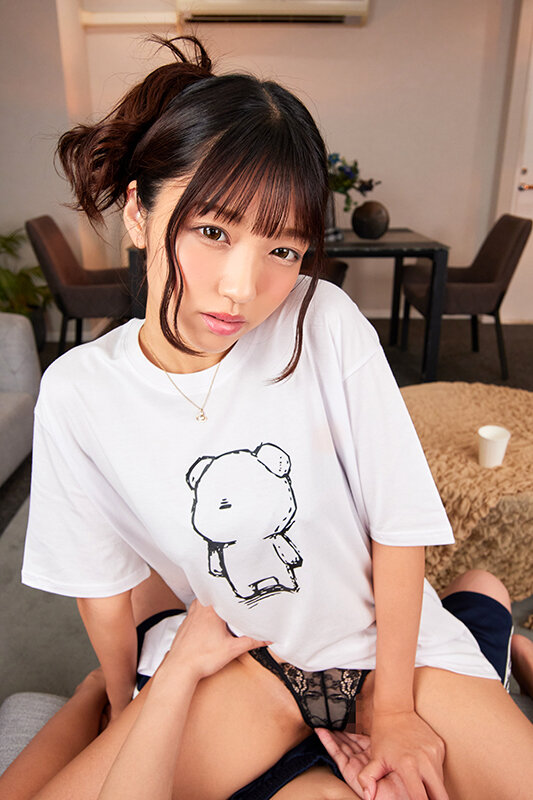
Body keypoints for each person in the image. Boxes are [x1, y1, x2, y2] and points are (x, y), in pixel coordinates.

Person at [20, 35, 533, 799]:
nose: (240, 287)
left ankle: (487, 624)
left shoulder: (322, 321)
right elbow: (99, 586)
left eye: (283, 250)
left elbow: (397, 525)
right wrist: (124, 706)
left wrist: (393, 707)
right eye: (212, 231)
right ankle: (488, 615)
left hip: (395, 653)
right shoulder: (79, 392)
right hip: (239, 664)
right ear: (137, 212)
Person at [1, 570, 530, 800]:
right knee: (483, 586)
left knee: (143, 585)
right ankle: (519, 650)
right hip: (392, 664)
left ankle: (97, 682)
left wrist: (119, 688)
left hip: (240, 683)